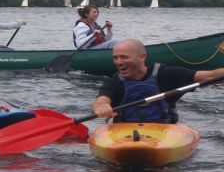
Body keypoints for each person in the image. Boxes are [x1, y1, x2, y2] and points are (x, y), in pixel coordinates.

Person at [92, 39, 224, 123]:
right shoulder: (114, 81)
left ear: (142, 56)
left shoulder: (167, 74)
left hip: (164, 132)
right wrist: (101, 107)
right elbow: (102, 100)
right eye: (115, 58)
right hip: (123, 135)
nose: (118, 62)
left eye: (124, 57)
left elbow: (210, 76)